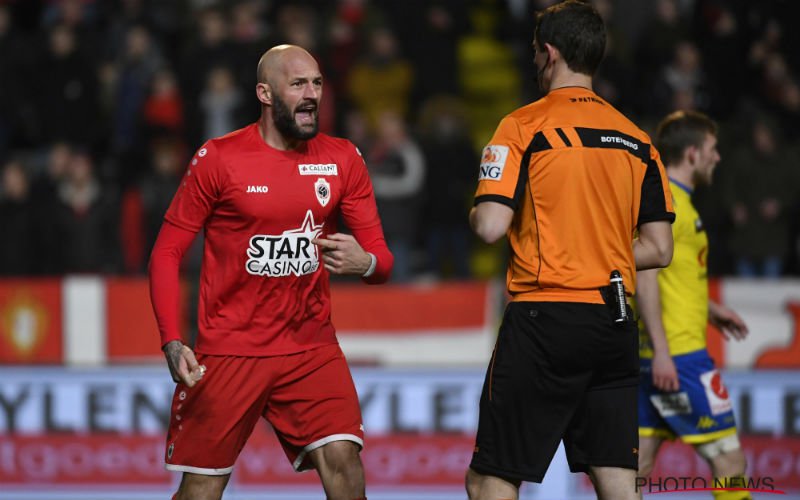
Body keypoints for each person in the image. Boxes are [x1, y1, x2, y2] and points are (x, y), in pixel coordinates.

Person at [148, 44, 393, 500]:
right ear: (264, 92)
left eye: (317, 83)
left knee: (344, 462)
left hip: (310, 347)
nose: (312, 94)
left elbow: (381, 259)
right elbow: (166, 252)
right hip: (230, 350)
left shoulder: (342, 159)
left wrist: (368, 263)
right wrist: (171, 339)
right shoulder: (219, 158)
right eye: (298, 83)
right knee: (201, 488)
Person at [464, 2, 675, 500]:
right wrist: (600, 252)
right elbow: (659, 248)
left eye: (537, 53)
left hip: (546, 317)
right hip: (615, 323)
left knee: (492, 476)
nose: (536, 62)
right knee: (617, 480)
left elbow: (492, 227)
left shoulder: (521, 126)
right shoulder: (638, 140)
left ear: (550, 54)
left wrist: (475, 211)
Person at [636, 110, 750, 500]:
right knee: (730, 463)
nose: (717, 157)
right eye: (712, 150)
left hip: (654, 357)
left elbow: (674, 275)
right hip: (680, 358)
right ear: (691, 154)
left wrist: (712, 311)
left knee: (637, 468)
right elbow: (644, 276)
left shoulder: (670, 201)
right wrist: (665, 354)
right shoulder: (671, 208)